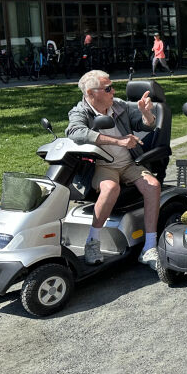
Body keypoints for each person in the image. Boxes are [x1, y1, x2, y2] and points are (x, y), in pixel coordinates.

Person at [67, 70, 161, 267]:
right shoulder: (80, 112)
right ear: (91, 93)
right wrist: (119, 141)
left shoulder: (119, 106)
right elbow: (75, 132)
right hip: (102, 165)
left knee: (152, 185)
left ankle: (149, 247)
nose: (113, 91)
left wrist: (146, 114)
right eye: (108, 88)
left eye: (112, 87)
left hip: (128, 163)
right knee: (110, 188)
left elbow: (146, 126)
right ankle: (92, 242)